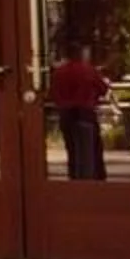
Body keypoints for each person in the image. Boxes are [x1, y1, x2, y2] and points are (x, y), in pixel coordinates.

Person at [50, 43, 109, 182]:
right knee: (90, 151)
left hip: (66, 113)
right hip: (85, 112)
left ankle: (74, 177)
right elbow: (103, 89)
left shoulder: (59, 73)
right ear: (82, 54)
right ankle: (89, 180)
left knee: (72, 149)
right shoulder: (88, 70)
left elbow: (52, 93)